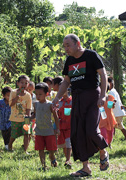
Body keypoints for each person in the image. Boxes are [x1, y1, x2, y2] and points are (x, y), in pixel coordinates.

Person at [52, 34, 109, 177]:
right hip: (77, 98)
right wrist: (57, 98)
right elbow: (66, 81)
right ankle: (85, 168)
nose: (66, 48)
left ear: (77, 43)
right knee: (77, 133)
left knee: (91, 130)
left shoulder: (91, 55)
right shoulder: (69, 60)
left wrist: (103, 95)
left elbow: (103, 75)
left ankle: (103, 152)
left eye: (68, 45)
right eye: (64, 46)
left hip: (93, 97)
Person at [32, 82, 59, 170]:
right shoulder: (35, 104)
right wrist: (29, 118)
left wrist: (57, 128)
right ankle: (43, 165)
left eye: (40, 94)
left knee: (51, 150)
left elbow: (56, 117)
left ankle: (52, 158)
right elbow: (35, 114)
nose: (38, 96)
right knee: (40, 149)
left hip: (49, 131)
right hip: (39, 130)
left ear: (46, 94)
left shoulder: (50, 105)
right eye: (36, 94)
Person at [8, 75, 32, 153]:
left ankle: (25, 150)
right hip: (15, 118)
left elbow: (28, 108)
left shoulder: (28, 95)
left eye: (26, 83)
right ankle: (10, 144)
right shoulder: (13, 92)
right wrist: (17, 98)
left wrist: (27, 118)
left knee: (26, 134)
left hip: (25, 119)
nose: (23, 85)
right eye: (22, 83)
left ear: (28, 85)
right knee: (14, 135)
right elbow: (11, 104)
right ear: (18, 83)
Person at [57, 88, 72, 169]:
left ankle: (68, 159)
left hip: (70, 125)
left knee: (68, 142)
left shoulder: (72, 100)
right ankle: (67, 159)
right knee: (64, 144)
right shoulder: (59, 102)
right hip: (61, 125)